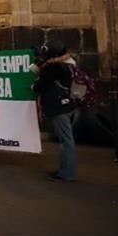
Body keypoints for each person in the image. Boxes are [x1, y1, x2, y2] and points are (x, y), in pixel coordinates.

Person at [34, 41, 78, 182]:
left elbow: (40, 86)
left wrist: (36, 80)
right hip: (67, 105)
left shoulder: (54, 68)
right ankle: (64, 170)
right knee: (66, 139)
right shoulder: (70, 63)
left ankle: (66, 173)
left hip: (59, 107)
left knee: (66, 140)